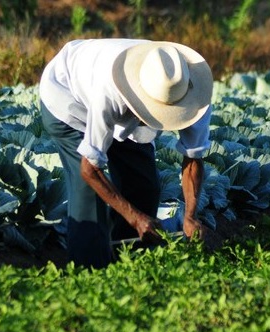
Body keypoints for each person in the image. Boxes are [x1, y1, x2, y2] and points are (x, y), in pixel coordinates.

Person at [39, 38, 213, 269]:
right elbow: (89, 169)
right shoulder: (109, 92)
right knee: (89, 198)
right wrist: (135, 218)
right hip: (68, 96)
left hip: (122, 104)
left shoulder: (192, 94)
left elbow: (193, 158)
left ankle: (129, 263)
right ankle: (90, 275)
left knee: (145, 187)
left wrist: (190, 215)